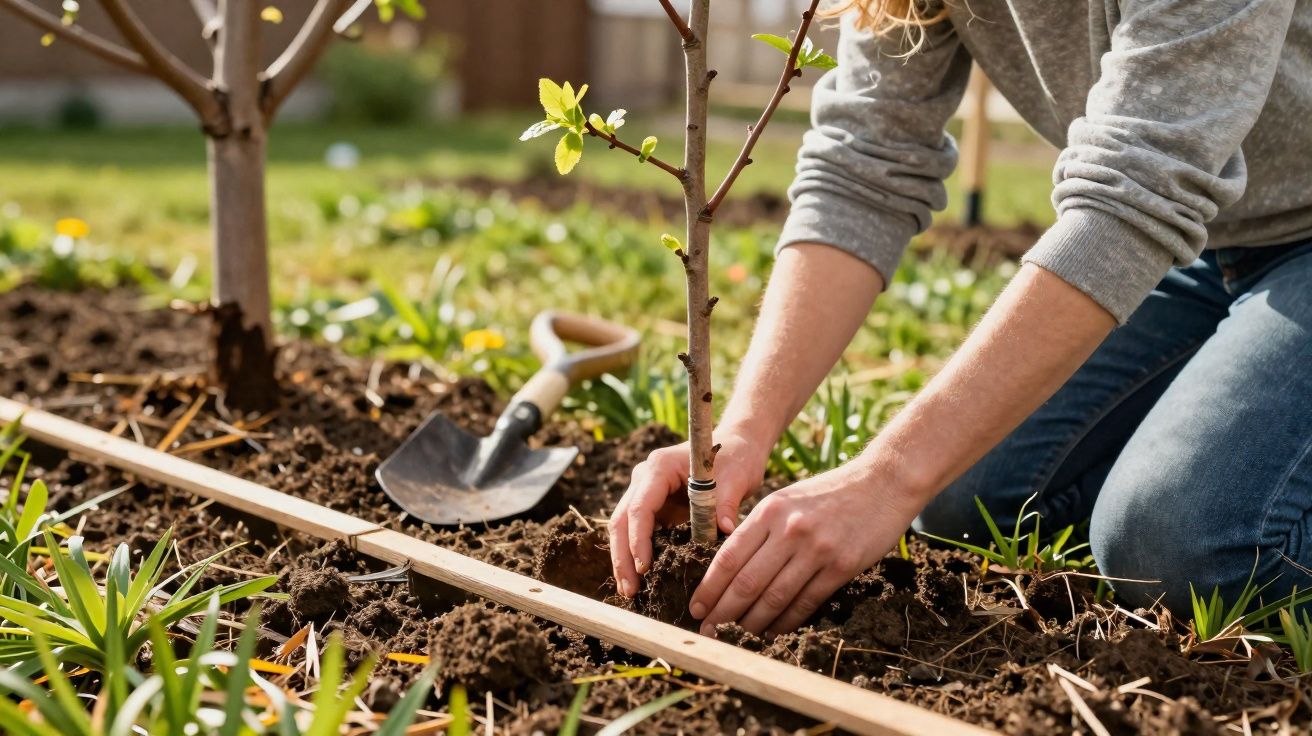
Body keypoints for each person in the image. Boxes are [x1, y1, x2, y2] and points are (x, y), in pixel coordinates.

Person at [607, 0, 1312, 638]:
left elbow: (1137, 193)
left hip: (1223, 222)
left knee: (1183, 543)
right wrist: (743, 429)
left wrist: (884, 477)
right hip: (1206, 240)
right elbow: (865, 162)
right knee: (959, 495)